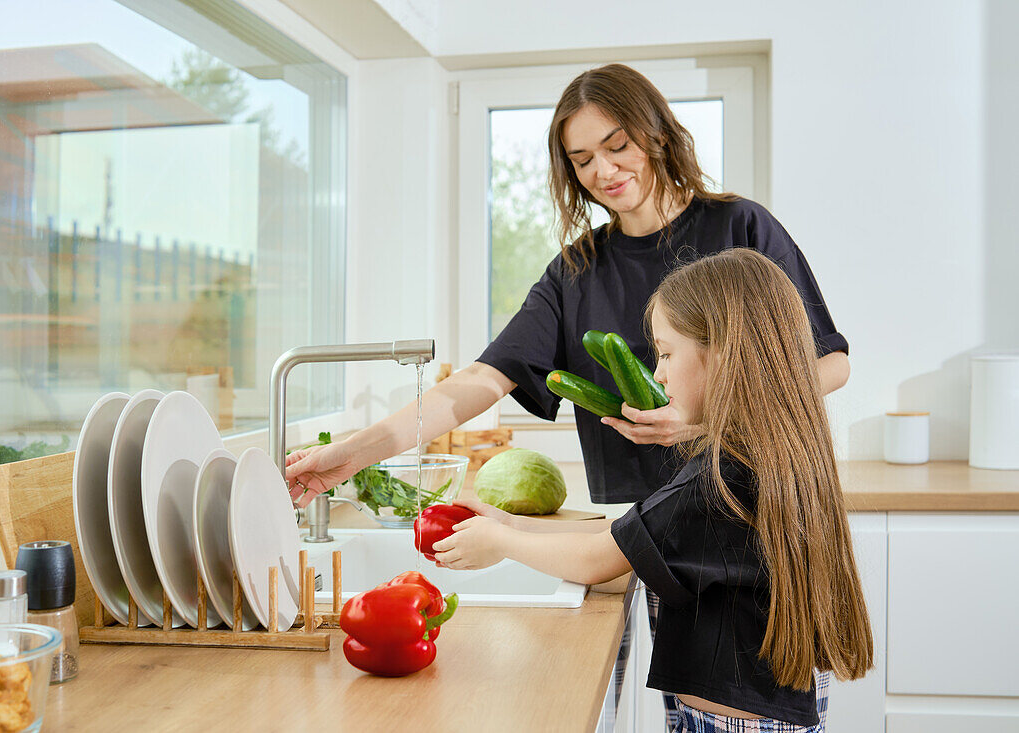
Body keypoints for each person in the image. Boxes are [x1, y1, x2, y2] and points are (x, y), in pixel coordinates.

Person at [283, 62, 849, 728]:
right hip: (649, 518)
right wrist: (355, 452)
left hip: (739, 512)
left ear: (656, 135)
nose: (603, 170)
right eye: (581, 160)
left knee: (741, 698)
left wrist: (708, 420)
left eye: (616, 145)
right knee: (699, 700)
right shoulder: (577, 269)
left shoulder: (738, 231)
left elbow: (825, 363)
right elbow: (479, 381)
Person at [431, 248, 874, 732]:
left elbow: (601, 558)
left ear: (723, 354)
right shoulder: (769, 452)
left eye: (666, 353)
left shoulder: (719, 479)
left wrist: (502, 543)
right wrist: (510, 521)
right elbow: (630, 534)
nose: (657, 373)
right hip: (774, 706)